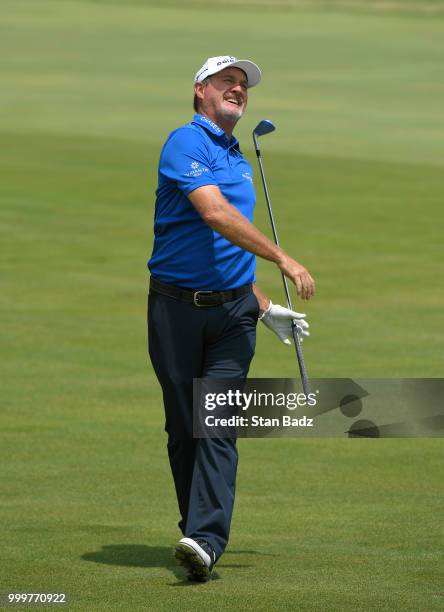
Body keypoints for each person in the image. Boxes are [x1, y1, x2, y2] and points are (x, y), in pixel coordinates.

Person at [147, 55, 315, 582]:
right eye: (227, 81)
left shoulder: (240, 155)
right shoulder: (185, 142)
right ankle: (195, 531)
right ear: (200, 90)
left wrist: (264, 306)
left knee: (216, 424)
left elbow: (228, 253)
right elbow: (214, 215)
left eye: (243, 85)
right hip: (174, 308)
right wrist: (283, 258)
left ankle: (205, 539)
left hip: (234, 313)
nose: (238, 90)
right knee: (184, 427)